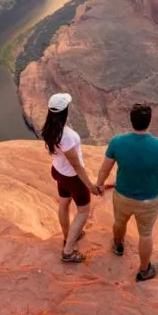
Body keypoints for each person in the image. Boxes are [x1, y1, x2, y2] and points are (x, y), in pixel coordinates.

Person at [95, 103, 158, 282]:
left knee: (119, 222)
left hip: (121, 195)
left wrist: (99, 184)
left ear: (131, 120)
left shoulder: (117, 141)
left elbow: (105, 169)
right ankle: (144, 270)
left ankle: (118, 245)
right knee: (145, 234)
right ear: (149, 121)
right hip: (148, 200)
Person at [42, 92, 99, 263]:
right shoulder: (67, 136)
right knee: (83, 211)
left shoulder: (49, 128)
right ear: (65, 112)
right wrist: (89, 185)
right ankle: (68, 251)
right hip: (72, 178)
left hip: (58, 172)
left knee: (64, 205)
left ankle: (69, 236)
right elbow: (76, 165)